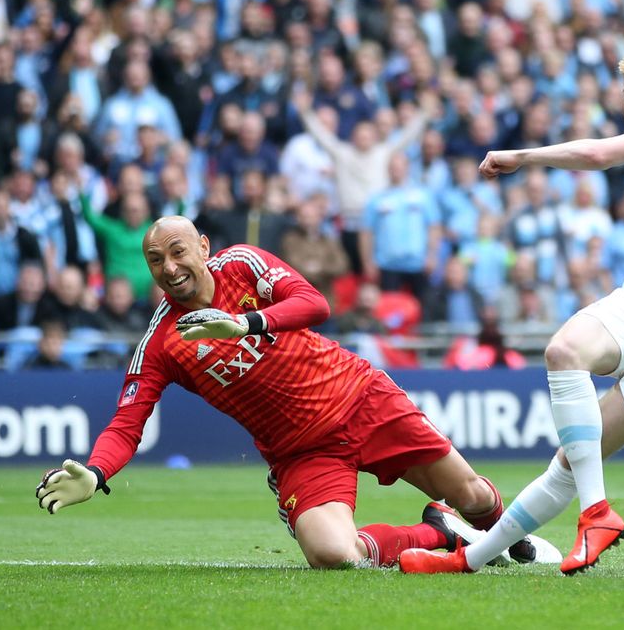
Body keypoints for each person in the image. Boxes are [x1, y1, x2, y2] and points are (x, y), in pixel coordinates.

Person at [401, 45, 624, 576]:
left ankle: (474, 557)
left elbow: (597, 156)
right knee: (563, 352)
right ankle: (592, 514)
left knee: (569, 463)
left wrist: (523, 157)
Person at [33, 216, 544, 569]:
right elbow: (127, 424)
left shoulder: (244, 265)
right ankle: (441, 533)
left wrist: (245, 324)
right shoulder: (162, 343)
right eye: (155, 260)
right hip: (302, 451)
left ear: (203, 248)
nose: (169, 267)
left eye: (177, 251)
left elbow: (314, 304)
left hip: (361, 399)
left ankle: (509, 537)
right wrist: (97, 471)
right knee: (334, 556)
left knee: (473, 493)